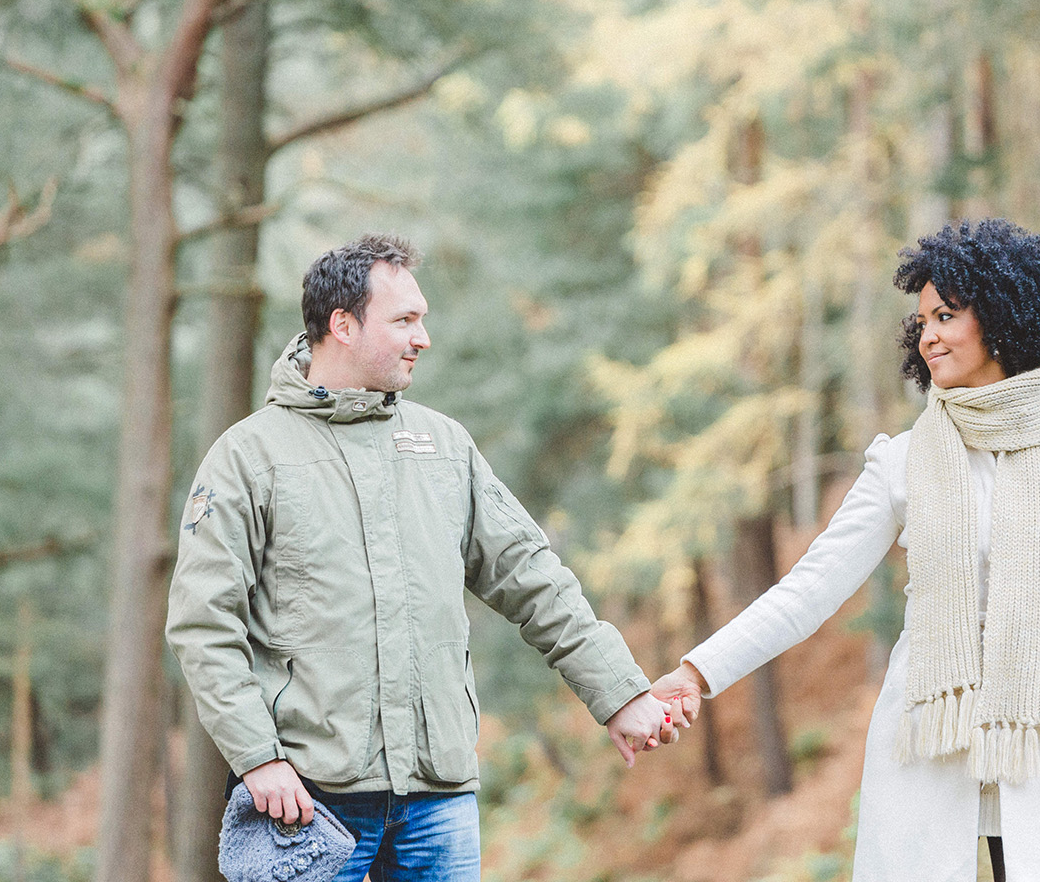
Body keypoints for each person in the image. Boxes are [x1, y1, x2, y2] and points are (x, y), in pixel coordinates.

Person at [650, 219, 1040, 882]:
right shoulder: (904, 462)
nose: (927, 334)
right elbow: (808, 591)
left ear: (1003, 314)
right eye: (921, 321)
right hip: (926, 754)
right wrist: (697, 674)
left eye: (945, 315)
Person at [167, 234, 680, 882]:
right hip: (306, 803)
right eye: (405, 320)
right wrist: (257, 757)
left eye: (424, 319)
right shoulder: (247, 458)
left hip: (439, 803)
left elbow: (533, 579)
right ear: (343, 325)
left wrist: (619, 693)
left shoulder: (444, 447)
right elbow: (203, 625)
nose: (423, 337)